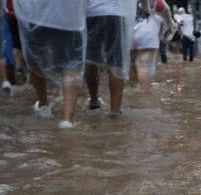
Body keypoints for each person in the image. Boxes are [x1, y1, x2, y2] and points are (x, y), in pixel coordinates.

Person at [14, 0, 87, 129]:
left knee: (36, 61)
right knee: (72, 65)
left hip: (35, 15)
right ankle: (67, 120)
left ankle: (43, 106)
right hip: (69, 18)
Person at [84, 0, 137, 113]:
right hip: (115, 12)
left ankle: (94, 101)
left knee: (90, 58)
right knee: (116, 61)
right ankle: (115, 111)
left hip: (90, 12)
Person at [131, 0, 175, 91]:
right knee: (143, 65)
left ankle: (133, 91)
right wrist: (170, 25)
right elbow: (166, 9)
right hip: (147, 31)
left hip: (129, 30)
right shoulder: (156, 1)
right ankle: (144, 97)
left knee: (132, 64)